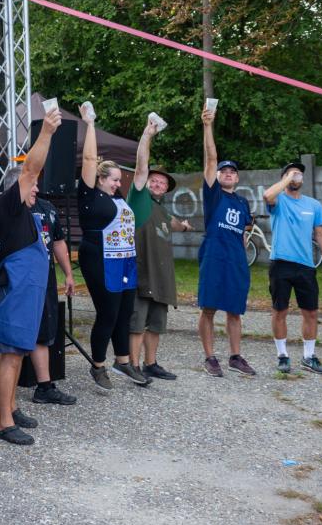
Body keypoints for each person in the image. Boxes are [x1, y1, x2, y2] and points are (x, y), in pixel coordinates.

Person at [0, 107, 63, 445]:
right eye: (32, 187)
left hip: (22, 292)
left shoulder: (20, 214)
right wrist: (46, 132)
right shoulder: (9, 206)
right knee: (11, 355)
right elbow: (31, 167)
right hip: (16, 290)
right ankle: (4, 422)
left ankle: (10, 407)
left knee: (7, 350)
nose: (36, 190)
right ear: (17, 188)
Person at [76, 107, 149, 392]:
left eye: (119, 180)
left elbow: (141, 171)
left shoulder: (118, 198)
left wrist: (147, 134)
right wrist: (90, 123)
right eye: (114, 179)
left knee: (124, 313)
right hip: (99, 258)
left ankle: (123, 361)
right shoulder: (89, 195)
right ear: (100, 178)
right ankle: (97, 366)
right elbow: (89, 159)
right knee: (107, 313)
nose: (119, 184)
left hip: (125, 261)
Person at [196, 106, 257, 377]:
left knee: (235, 311)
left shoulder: (242, 202)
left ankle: (235, 356)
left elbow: (243, 231)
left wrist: (242, 254)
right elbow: (211, 158)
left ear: (238, 177)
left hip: (236, 261)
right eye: (224, 171)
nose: (228, 173)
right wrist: (208, 126)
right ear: (218, 176)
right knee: (208, 308)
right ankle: (210, 358)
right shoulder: (214, 195)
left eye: (232, 171)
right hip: (214, 257)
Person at [127, 144, 192, 381]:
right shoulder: (138, 200)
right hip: (142, 273)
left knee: (156, 324)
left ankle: (150, 364)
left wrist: (184, 227)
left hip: (161, 277)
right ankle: (133, 366)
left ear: (166, 189)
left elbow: (173, 223)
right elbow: (140, 167)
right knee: (137, 323)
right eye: (153, 180)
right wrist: (148, 137)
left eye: (162, 183)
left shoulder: (162, 210)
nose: (157, 185)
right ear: (146, 182)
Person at [263, 162, 322, 375]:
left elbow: (320, 232)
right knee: (280, 311)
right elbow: (267, 195)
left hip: (305, 265)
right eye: (291, 174)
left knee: (311, 312)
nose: (296, 177)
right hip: (281, 264)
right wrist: (287, 178)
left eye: (299, 174)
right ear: (284, 178)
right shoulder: (278, 200)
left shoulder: (313, 204)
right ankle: (282, 355)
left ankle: (309, 357)